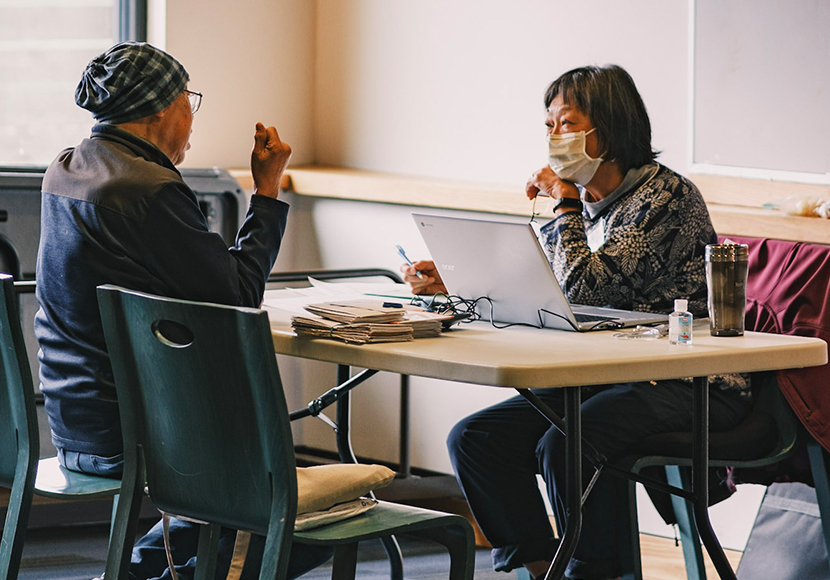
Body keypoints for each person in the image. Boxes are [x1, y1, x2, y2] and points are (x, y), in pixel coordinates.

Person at [402, 65, 751, 580]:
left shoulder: (666, 199)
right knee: (476, 438)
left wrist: (564, 201)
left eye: (565, 123)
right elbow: (546, 294)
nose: (552, 136)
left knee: (569, 443)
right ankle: (545, 569)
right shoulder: (583, 206)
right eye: (548, 125)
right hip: (608, 376)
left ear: (607, 128)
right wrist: (453, 286)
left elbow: (585, 287)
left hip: (686, 379)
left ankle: (598, 572)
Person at [34, 42, 331, 580]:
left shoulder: (64, 170)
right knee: (302, 507)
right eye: (188, 101)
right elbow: (239, 296)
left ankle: (131, 573)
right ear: (158, 111)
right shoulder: (147, 189)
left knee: (248, 491)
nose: (191, 116)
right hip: (145, 432)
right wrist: (267, 190)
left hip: (76, 420)